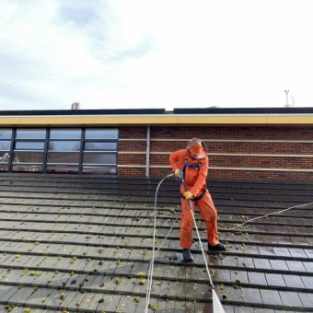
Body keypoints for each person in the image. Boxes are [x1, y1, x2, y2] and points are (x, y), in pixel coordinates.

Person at [169, 138, 225, 262]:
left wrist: (193, 192)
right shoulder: (182, 154)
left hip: (200, 190)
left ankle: (213, 242)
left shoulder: (204, 159)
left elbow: (201, 178)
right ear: (189, 150)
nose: (196, 156)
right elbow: (172, 157)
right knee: (187, 219)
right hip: (185, 188)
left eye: (197, 154)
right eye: (194, 154)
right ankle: (186, 248)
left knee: (212, 214)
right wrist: (175, 169)